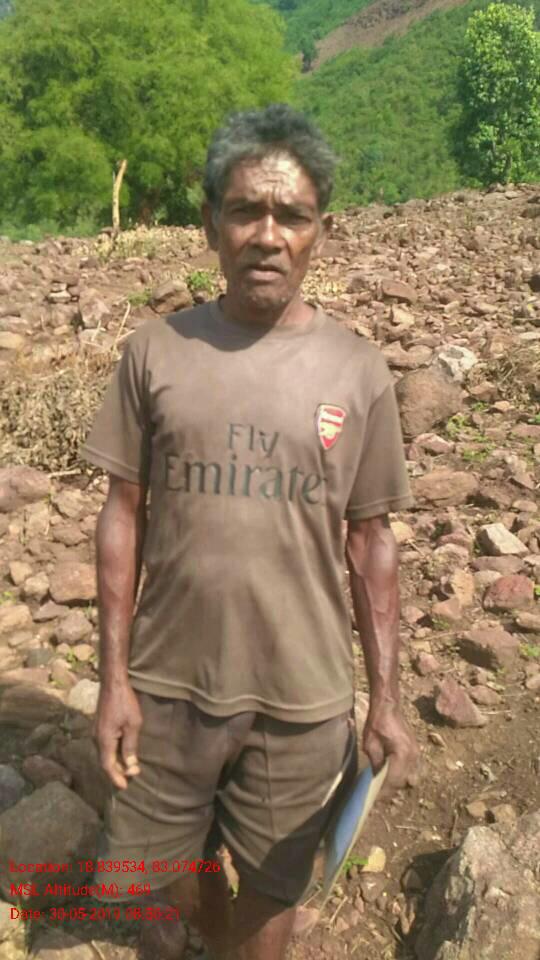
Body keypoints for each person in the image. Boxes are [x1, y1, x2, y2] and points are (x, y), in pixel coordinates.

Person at [82, 103, 419, 960]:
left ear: (320, 233)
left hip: (300, 703)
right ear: (211, 225)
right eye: (245, 211)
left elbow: (371, 541)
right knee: (162, 883)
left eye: (292, 216)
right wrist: (113, 681)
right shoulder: (154, 351)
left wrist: (385, 699)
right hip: (166, 689)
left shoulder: (358, 371)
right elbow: (122, 515)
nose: (268, 236)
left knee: (272, 895)